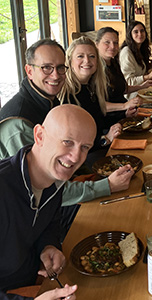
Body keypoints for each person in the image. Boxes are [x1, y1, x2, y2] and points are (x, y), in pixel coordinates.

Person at [0, 39, 133, 207]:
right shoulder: (19, 122)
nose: (55, 75)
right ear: (29, 71)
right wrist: (106, 186)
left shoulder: (49, 101)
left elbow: (70, 159)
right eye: (46, 68)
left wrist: (93, 176)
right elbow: (40, 189)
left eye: (60, 67)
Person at [0, 104, 96, 300]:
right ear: (39, 136)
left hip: (34, 282)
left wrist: (48, 246)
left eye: (85, 147)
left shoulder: (54, 181)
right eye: (67, 142)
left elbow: (49, 224)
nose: (77, 157)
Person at [59, 36, 135, 154]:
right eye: (80, 56)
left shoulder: (91, 87)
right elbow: (72, 143)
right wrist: (106, 139)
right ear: (70, 61)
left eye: (92, 56)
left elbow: (99, 120)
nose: (87, 61)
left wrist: (124, 114)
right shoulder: (68, 95)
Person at [95, 27, 152, 104]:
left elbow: (121, 89)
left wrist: (141, 87)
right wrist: (125, 106)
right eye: (107, 42)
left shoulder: (113, 63)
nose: (113, 46)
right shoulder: (95, 68)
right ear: (97, 44)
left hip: (124, 109)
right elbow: (98, 105)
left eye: (116, 42)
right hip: (113, 113)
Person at [119, 21, 152, 94]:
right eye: (136, 32)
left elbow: (142, 67)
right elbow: (128, 81)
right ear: (130, 35)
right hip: (133, 94)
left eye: (142, 31)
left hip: (143, 88)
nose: (140, 34)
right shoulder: (127, 53)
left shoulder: (140, 48)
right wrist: (147, 77)